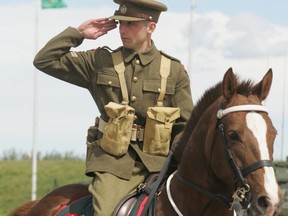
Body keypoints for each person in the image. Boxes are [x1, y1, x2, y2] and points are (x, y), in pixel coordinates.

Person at [33, 0, 193, 215]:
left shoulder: (174, 71)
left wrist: (179, 166)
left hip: (159, 164)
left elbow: (185, 127)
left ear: (151, 27)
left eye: (131, 24)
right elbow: (44, 60)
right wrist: (78, 34)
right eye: (120, 23)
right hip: (113, 165)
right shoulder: (99, 61)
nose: (123, 30)